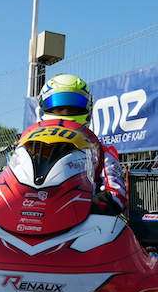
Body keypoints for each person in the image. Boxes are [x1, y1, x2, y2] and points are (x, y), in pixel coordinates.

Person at [38, 74, 126, 214]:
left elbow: (116, 195)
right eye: (58, 108)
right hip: (33, 216)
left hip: (81, 219)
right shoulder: (29, 149)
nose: (66, 113)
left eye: (73, 108)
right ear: (42, 107)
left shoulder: (102, 151)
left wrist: (76, 208)